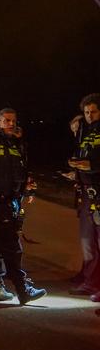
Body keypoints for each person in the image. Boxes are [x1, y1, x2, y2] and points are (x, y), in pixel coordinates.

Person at [0, 108, 46, 304]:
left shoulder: (13, 142)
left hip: (11, 199)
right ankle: (23, 289)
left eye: (13, 120)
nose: (11, 123)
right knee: (12, 245)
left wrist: (27, 188)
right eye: (6, 120)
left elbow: (19, 170)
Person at [68, 93, 100, 302]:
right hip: (87, 193)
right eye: (86, 112)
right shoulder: (85, 132)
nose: (90, 116)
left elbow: (93, 162)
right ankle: (88, 278)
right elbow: (83, 157)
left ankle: (93, 282)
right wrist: (76, 173)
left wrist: (92, 166)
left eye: (94, 111)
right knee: (87, 241)